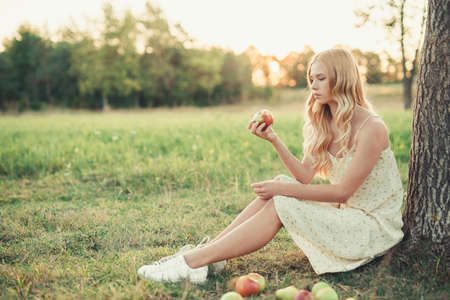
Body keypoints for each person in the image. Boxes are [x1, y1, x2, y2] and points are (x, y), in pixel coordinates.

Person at [137, 48, 404, 283]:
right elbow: (303, 177)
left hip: (371, 227)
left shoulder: (372, 128)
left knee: (281, 198)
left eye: (321, 78)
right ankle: (210, 257)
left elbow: (342, 192)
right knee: (283, 184)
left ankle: (192, 262)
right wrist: (274, 140)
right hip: (345, 214)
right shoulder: (324, 122)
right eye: (311, 79)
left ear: (342, 78)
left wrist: (281, 190)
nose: (313, 85)